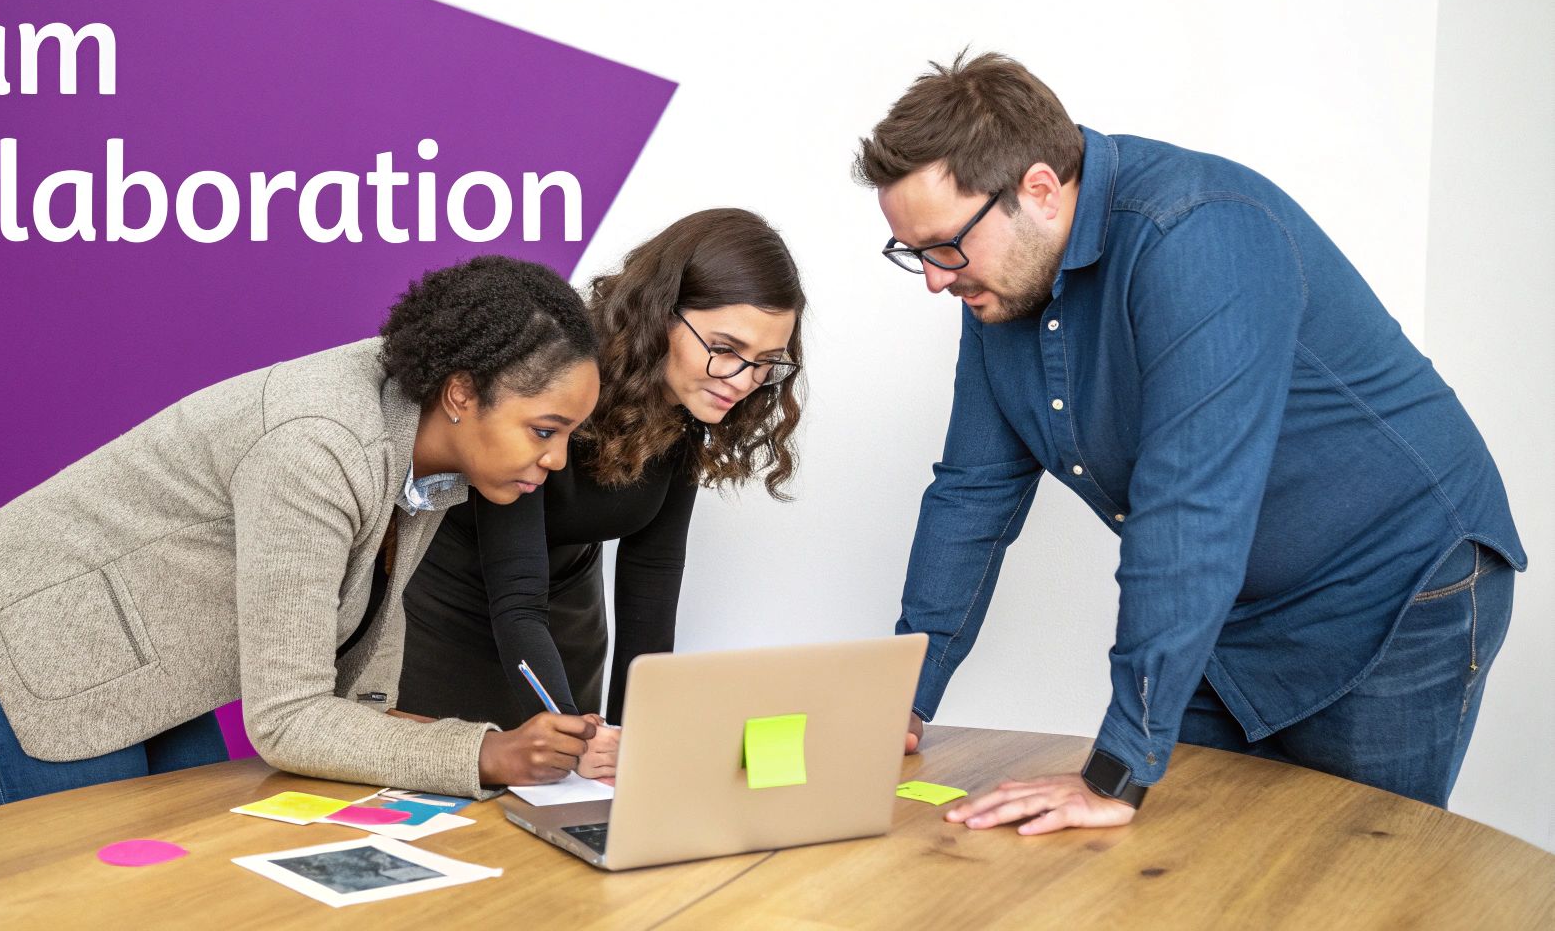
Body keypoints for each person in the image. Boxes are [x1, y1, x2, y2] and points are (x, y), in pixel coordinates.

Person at [857, 51, 1524, 833]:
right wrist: (902, 695)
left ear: (1038, 190)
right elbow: (973, 491)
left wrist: (1114, 771)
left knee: (1351, 875)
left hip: (1397, 587)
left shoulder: (1197, 232)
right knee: (1188, 863)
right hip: (1232, 607)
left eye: (944, 245)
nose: (935, 278)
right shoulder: (998, 290)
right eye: (915, 254)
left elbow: (1190, 507)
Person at [0, 256, 608, 816]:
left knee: (208, 884)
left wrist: (475, 747)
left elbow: (359, 663)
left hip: (143, 659)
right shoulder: (316, 445)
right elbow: (290, 720)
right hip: (17, 649)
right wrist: (483, 753)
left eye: (569, 435)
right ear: (461, 393)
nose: (555, 459)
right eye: (545, 431)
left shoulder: (428, 448)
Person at [397, 209, 805, 776]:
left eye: (764, 363)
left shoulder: (691, 403)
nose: (740, 380)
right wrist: (568, 734)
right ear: (661, 315)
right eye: (725, 347)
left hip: (562, 624)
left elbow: (653, 584)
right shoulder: (555, 372)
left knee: (565, 801)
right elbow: (515, 597)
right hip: (452, 617)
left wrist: (633, 739)